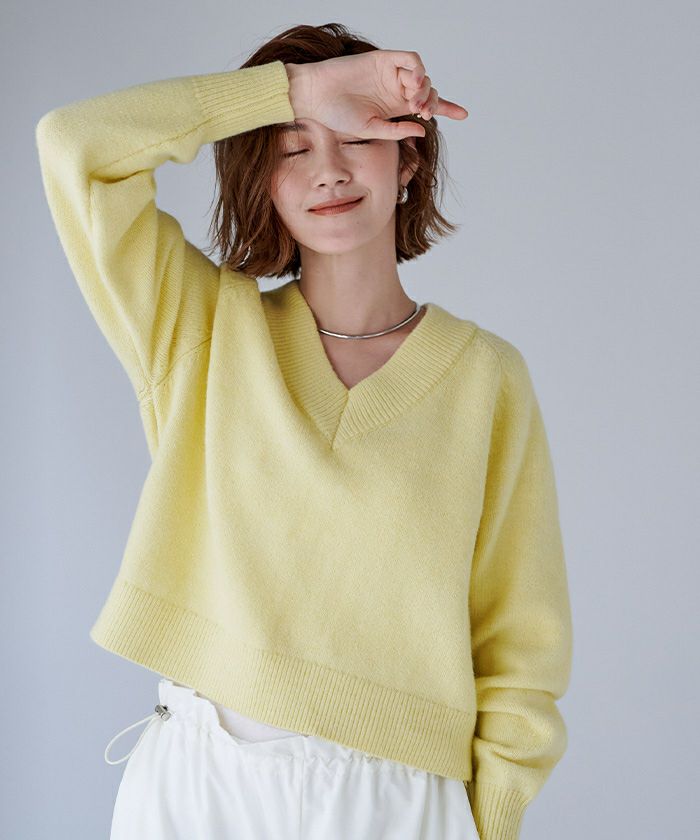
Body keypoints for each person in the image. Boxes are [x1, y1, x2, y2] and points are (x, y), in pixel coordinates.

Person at [35, 21, 572, 840]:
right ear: (264, 182)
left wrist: (490, 820)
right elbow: (77, 147)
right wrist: (301, 90)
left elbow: (520, 638)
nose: (328, 170)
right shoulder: (199, 332)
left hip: (398, 796)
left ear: (409, 159)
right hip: (203, 786)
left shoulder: (485, 378)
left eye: (358, 136)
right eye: (292, 148)